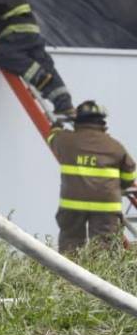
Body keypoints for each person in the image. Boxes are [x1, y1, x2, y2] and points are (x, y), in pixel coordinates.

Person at [46, 100, 136, 253]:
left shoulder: (65, 140)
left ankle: (69, 276)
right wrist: (122, 184)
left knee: (70, 247)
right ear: (102, 122)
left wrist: (56, 127)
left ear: (77, 121)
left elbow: (52, 139)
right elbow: (129, 173)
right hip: (106, 207)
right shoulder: (115, 147)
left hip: (72, 205)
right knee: (104, 251)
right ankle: (99, 277)